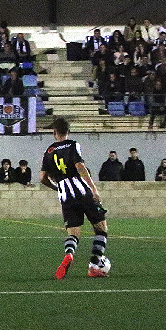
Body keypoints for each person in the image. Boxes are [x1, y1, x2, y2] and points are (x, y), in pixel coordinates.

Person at [40, 117, 110, 279]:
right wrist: (93, 188)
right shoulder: (73, 144)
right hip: (82, 192)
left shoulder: (48, 151)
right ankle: (94, 265)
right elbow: (79, 166)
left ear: (55, 132)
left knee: (74, 233)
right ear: (68, 131)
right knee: (101, 229)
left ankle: (69, 253)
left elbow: (43, 178)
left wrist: (57, 188)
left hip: (65, 196)